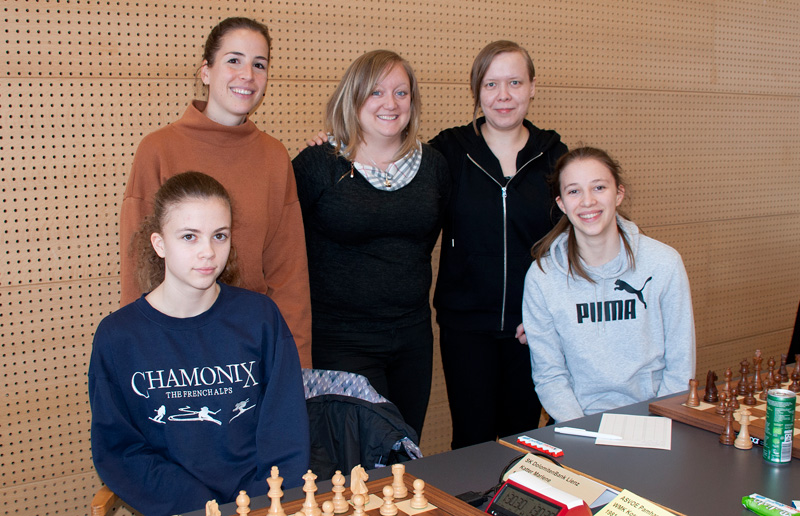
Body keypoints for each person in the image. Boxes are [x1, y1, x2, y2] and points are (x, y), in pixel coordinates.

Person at [89, 172, 309, 515]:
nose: (208, 252)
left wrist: (262, 504)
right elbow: (120, 450)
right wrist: (200, 506)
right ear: (160, 244)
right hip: (179, 506)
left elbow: (285, 432)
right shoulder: (119, 337)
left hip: (262, 504)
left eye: (219, 236)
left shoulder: (260, 317)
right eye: (189, 237)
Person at [118, 17, 311, 368]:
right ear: (206, 71)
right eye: (233, 60)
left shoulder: (273, 156)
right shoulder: (158, 149)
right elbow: (138, 266)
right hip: (176, 346)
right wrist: (143, 352)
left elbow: (289, 273)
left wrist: (296, 362)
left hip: (253, 348)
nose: (247, 75)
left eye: (259, 64)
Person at [292, 50, 450, 438]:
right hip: (341, 340)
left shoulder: (433, 166)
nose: (390, 103)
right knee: (357, 461)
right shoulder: (318, 164)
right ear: (354, 96)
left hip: (412, 337)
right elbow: (285, 249)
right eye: (376, 92)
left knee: (404, 451)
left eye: (401, 92)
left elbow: (422, 242)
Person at [429, 41, 568, 449]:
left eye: (514, 82)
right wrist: (334, 146)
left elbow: (570, 244)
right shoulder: (449, 152)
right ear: (477, 91)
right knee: (470, 441)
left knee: (524, 441)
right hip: (466, 327)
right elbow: (387, 168)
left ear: (532, 87)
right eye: (491, 84)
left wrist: (550, 316)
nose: (503, 95)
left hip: (532, 329)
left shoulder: (553, 156)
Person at [522, 146, 696, 423]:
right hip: (577, 421)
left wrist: (657, 423)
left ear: (619, 194)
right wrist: (581, 430)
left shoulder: (664, 263)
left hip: (655, 421)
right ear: (561, 203)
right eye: (574, 191)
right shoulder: (543, 276)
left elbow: (680, 364)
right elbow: (550, 375)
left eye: (599, 187)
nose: (587, 201)